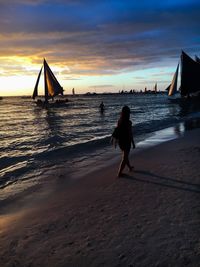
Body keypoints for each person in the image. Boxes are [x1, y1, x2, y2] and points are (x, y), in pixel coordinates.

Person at [116, 105, 135, 177]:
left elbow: (117, 131)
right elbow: (130, 133)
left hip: (120, 142)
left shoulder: (119, 121)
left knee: (125, 156)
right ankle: (120, 173)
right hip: (127, 141)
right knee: (125, 157)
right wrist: (133, 143)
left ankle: (129, 167)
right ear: (128, 113)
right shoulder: (129, 122)